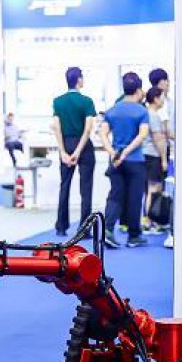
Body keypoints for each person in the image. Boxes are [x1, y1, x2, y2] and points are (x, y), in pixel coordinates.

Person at [100, 72, 150, 248]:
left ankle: (108, 231)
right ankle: (133, 236)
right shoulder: (142, 111)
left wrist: (114, 153)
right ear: (138, 90)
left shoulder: (112, 110)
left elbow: (103, 134)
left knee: (115, 195)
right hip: (135, 160)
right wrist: (126, 152)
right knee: (135, 197)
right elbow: (142, 135)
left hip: (116, 161)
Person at [52, 67, 97, 236]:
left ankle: (61, 226)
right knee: (86, 188)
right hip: (84, 146)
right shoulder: (87, 101)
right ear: (78, 80)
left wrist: (62, 151)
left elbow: (57, 128)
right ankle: (84, 229)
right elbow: (88, 129)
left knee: (64, 185)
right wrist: (78, 151)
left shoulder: (58, 101)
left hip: (66, 143)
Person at [142, 86, 170, 232]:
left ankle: (151, 220)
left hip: (147, 155)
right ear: (155, 99)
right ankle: (149, 221)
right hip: (153, 156)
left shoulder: (147, 114)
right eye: (161, 97)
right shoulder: (152, 115)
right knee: (153, 189)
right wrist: (164, 159)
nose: (163, 100)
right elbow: (158, 139)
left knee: (151, 189)